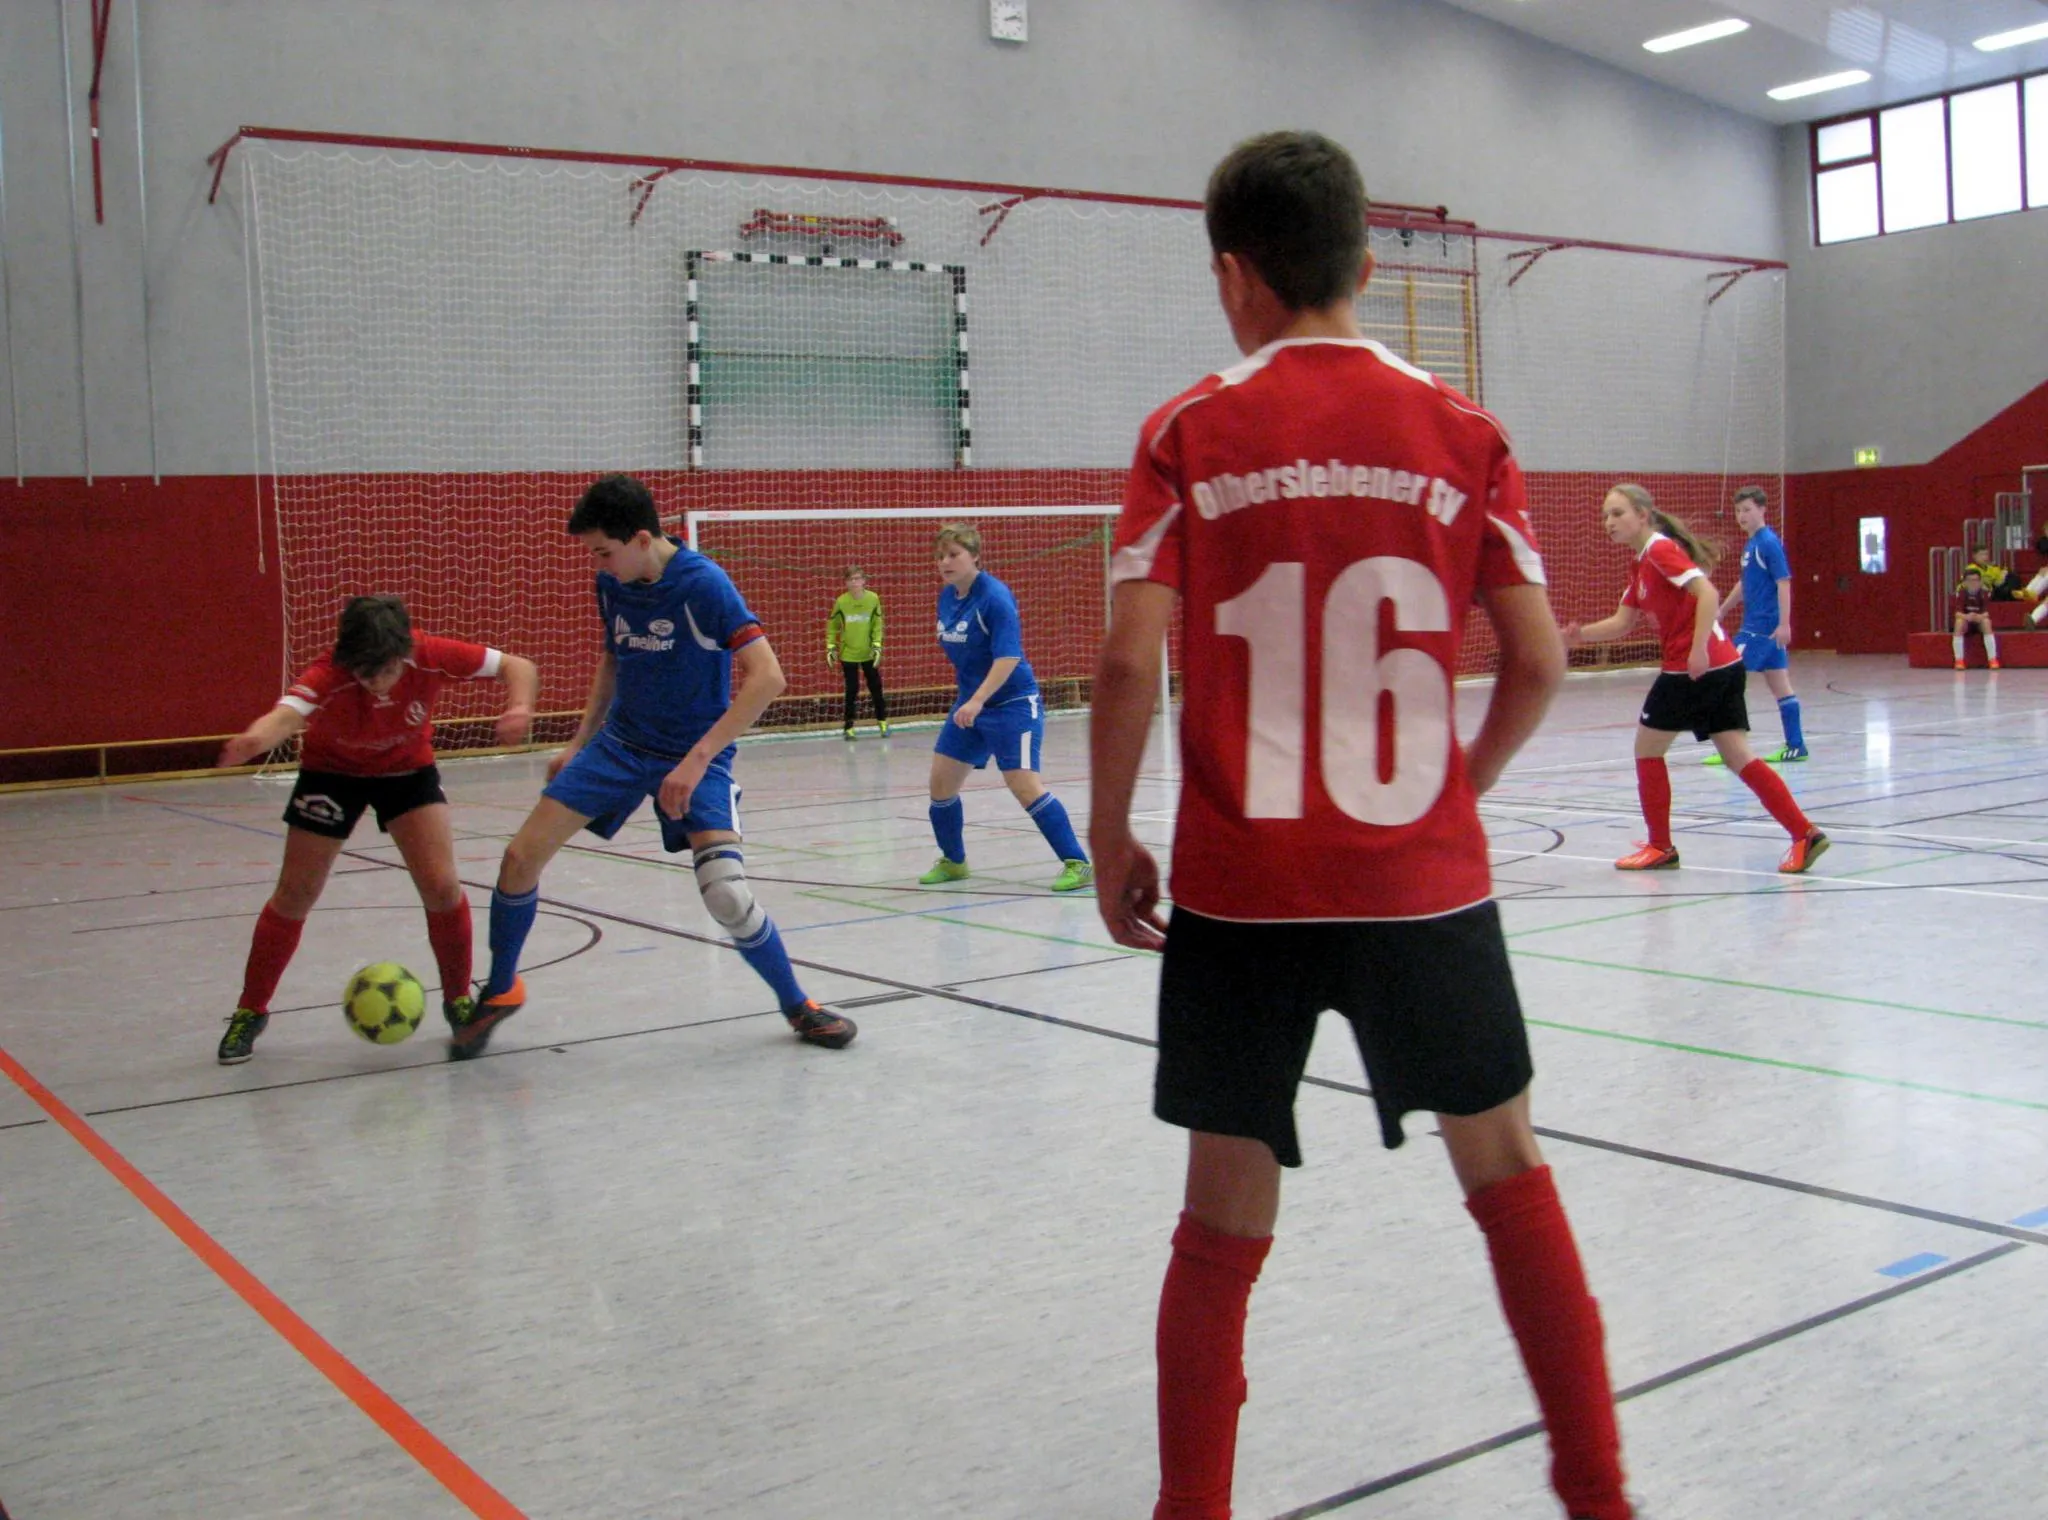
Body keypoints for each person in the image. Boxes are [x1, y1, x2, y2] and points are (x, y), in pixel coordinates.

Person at [1090, 130, 1634, 1520]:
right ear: (1369, 264)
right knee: (1508, 1176)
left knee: (1219, 1218)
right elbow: (1539, 660)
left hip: (1243, 892)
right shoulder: (1464, 431)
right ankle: (1598, 1495)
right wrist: (1465, 783)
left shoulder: (1185, 431)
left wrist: (1108, 835)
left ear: (1233, 274)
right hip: (1421, 886)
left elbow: (1124, 662)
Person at [452, 474, 857, 1057]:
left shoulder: (704, 584)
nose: (599, 564)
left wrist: (696, 762)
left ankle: (798, 1005)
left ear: (642, 539)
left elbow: (769, 677)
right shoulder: (613, 583)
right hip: (620, 745)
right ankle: (501, 989)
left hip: (695, 754)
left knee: (726, 896)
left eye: (604, 551)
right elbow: (612, 660)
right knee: (519, 858)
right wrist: (579, 742)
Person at [214, 595, 538, 1063]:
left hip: (407, 772)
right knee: (295, 893)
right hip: (331, 775)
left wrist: (520, 706)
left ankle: (457, 1000)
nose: (374, 684)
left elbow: (517, 666)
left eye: (384, 672)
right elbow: (285, 715)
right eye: (363, 675)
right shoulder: (329, 673)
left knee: (442, 886)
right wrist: (254, 740)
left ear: (403, 653)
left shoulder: (431, 654)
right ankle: (250, 1011)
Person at [1566, 483, 1829, 874]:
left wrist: (1698, 648)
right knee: (1738, 756)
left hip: (1693, 670)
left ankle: (1660, 846)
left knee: (1647, 749)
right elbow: (1623, 622)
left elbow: (1707, 593)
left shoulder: (1659, 550)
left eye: (1618, 513)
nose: (1609, 522)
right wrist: (1578, 636)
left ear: (1643, 514)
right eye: (1605, 515)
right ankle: (1804, 833)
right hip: (1724, 668)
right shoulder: (1642, 562)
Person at [916, 523, 1092, 893]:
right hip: (971, 706)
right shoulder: (948, 597)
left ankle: (1077, 862)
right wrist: (971, 700)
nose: (945, 562)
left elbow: (1008, 657)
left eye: (953, 555)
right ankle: (954, 861)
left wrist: (978, 699)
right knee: (941, 785)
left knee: (1024, 784)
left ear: (975, 556)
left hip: (1012, 704)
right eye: (940, 556)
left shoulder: (995, 597)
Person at [1709, 485, 1807, 762]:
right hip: (1759, 626)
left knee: (1727, 678)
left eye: (1747, 510)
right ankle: (1796, 745)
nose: (1742, 516)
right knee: (1780, 685)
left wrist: (1785, 624)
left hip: (1761, 629)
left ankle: (1733, 749)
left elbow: (1784, 582)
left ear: (1762, 510)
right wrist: (1723, 610)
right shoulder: (1751, 544)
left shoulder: (1768, 543)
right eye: (1738, 511)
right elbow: (1745, 583)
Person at [826, 566, 889, 739]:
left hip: (869, 652)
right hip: (848, 654)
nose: (854, 582)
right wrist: (831, 646)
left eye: (857, 579)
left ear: (864, 581)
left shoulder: (873, 599)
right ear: (846, 582)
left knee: (876, 688)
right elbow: (832, 626)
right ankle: (848, 727)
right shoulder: (841, 601)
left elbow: (877, 624)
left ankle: (883, 722)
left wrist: (877, 645)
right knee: (851, 690)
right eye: (850, 579)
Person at [1954, 568, 2001, 670]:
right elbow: (1957, 613)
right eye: (1970, 580)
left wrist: (1978, 617)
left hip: (1979, 621)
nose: (1973, 583)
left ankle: (1992, 659)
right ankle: (1959, 660)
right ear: (1964, 582)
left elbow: (1987, 613)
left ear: (1980, 582)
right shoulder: (1961, 593)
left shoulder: (1985, 593)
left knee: (1986, 622)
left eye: (1976, 580)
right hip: (1966, 621)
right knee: (1959, 623)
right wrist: (1967, 617)